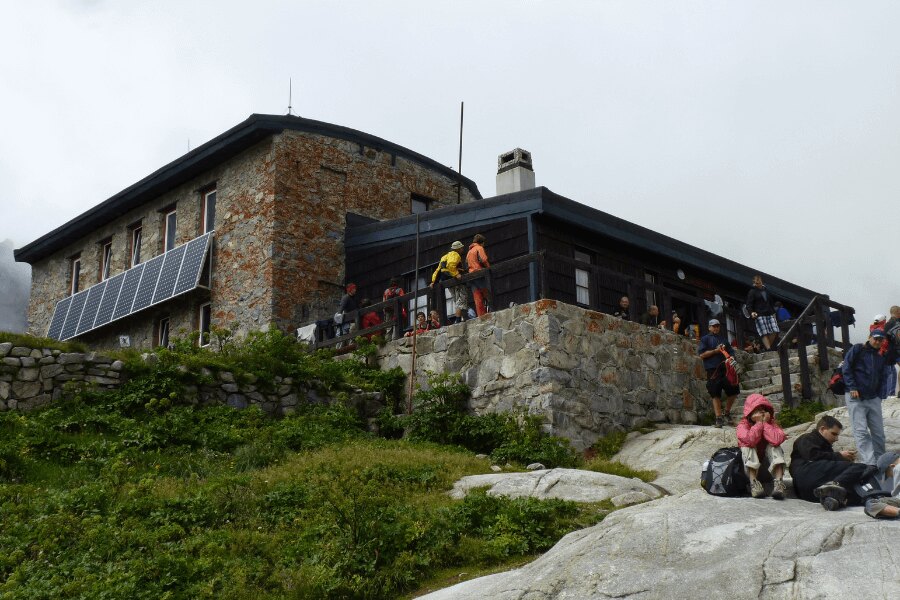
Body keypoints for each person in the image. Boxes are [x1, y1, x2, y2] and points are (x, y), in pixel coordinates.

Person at [790, 416, 899, 517]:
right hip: (805, 473)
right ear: (822, 429)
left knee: (852, 486)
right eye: (834, 434)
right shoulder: (807, 438)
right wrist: (839, 455)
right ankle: (835, 485)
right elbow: (812, 455)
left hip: (809, 491)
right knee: (860, 467)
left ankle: (833, 499)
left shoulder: (825, 446)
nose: (836, 439)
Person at [842, 329, 888, 465]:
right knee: (861, 431)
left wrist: (880, 395)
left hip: (873, 398)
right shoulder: (857, 349)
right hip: (855, 396)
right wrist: (852, 387)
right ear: (869, 337)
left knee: (879, 432)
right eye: (876, 338)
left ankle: (881, 462)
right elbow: (846, 368)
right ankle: (870, 464)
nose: (878, 341)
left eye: (881, 340)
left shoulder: (880, 358)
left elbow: (883, 377)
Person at [736, 394, 786, 499]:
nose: (761, 413)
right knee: (748, 446)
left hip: (768, 469)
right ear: (750, 413)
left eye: (763, 409)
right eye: (758, 410)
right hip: (750, 471)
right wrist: (759, 424)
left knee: (774, 446)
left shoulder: (772, 423)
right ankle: (754, 485)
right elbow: (749, 441)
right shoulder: (742, 425)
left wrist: (766, 424)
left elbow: (776, 440)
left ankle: (779, 484)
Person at [698, 319, 739, 428]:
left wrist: (732, 357)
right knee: (715, 393)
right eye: (714, 326)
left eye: (717, 326)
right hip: (712, 369)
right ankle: (718, 418)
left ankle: (727, 412)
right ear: (709, 327)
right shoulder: (705, 339)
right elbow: (702, 355)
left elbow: (731, 352)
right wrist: (715, 351)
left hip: (726, 369)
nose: (716, 328)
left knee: (734, 390)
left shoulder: (724, 340)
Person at [431, 240, 468, 323]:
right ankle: (458, 319)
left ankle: (461, 318)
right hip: (454, 279)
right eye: (461, 248)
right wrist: (456, 274)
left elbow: (438, 270)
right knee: (461, 298)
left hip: (446, 280)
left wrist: (433, 281)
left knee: (456, 299)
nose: (462, 249)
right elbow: (451, 265)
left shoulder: (444, 256)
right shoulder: (456, 255)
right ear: (458, 248)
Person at [745, 275, 779, 350]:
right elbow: (749, 304)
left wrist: (773, 312)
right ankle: (768, 349)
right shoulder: (752, 291)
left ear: (761, 281)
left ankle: (765, 347)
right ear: (754, 283)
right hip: (759, 314)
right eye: (756, 283)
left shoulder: (766, 290)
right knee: (764, 332)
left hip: (770, 312)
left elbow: (771, 301)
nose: (758, 284)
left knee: (775, 330)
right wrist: (751, 312)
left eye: (759, 282)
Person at [466, 234, 491, 317]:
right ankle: (492, 310)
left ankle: (481, 316)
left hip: (471, 276)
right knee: (487, 293)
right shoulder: (479, 248)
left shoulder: (469, 252)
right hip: (479, 273)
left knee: (477, 297)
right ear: (482, 242)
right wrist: (489, 268)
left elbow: (466, 263)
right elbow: (483, 259)